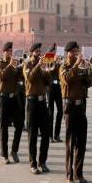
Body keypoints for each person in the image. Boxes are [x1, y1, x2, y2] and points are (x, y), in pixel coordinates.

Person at [60, 41, 89, 183]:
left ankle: (79, 172)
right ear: (68, 53)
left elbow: (88, 83)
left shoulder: (80, 66)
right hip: (70, 107)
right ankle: (69, 175)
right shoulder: (64, 66)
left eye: (77, 51)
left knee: (81, 142)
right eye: (74, 52)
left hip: (81, 106)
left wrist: (87, 69)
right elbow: (67, 79)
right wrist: (77, 65)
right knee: (71, 142)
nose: (77, 54)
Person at [23, 43, 52, 174]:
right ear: (32, 52)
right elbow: (30, 78)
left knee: (46, 134)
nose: (40, 53)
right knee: (33, 134)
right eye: (37, 51)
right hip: (32, 102)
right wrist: (39, 66)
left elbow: (48, 81)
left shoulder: (43, 64)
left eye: (40, 51)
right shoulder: (27, 64)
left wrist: (47, 70)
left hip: (42, 102)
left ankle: (42, 161)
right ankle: (33, 163)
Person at [0, 42, 23, 164]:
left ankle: (14, 150)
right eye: (8, 51)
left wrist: (19, 67)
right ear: (4, 52)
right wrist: (9, 66)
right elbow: (1, 76)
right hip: (4, 98)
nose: (10, 53)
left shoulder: (15, 64)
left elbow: (21, 78)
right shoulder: (0, 63)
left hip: (14, 98)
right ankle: (5, 154)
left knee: (19, 126)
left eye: (11, 51)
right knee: (4, 127)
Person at [47, 44, 63, 143]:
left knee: (60, 111)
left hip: (57, 87)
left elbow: (61, 73)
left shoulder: (58, 61)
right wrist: (53, 61)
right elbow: (48, 72)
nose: (54, 52)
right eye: (53, 51)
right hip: (50, 88)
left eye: (55, 50)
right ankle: (50, 135)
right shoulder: (48, 59)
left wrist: (59, 63)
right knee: (50, 112)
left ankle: (57, 134)